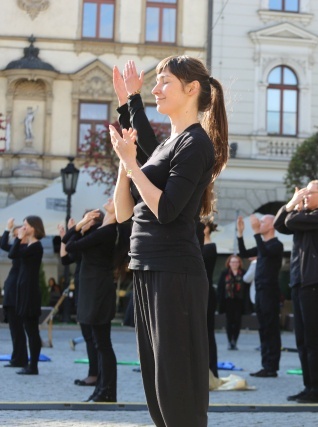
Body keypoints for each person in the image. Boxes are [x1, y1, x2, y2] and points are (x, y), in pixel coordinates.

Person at [109, 54, 228, 427]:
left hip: (174, 271)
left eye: (165, 82)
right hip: (147, 264)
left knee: (175, 388)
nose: (156, 88)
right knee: (157, 386)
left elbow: (166, 210)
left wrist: (131, 164)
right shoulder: (170, 142)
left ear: (191, 89)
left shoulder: (196, 144)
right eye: (155, 82)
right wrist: (128, 106)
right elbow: (125, 212)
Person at [274, 180, 318, 404]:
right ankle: (308, 386)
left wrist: (294, 206)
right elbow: (280, 224)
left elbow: (289, 221)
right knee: (301, 339)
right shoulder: (304, 216)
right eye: (305, 193)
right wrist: (292, 203)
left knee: (312, 338)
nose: (306, 196)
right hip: (299, 281)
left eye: (310, 193)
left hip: (314, 281)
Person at [64, 201, 118, 402]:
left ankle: (107, 391)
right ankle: (101, 389)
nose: (110, 200)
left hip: (98, 290)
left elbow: (70, 243)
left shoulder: (107, 231)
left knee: (103, 344)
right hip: (92, 287)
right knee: (99, 343)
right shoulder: (100, 229)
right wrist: (80, 225)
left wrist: (79, 226)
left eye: (114, 200)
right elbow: (68, 245)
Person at [237, 214, 284, 377]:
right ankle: (266, 365)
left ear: (271, 226)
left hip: (270, 292)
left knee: (271, 328)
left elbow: (264, 251)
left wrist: (256, 232)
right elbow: (243, 253)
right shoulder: (262, 245)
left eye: (263, 222)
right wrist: (241, 234)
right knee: (263, 328)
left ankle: (272, 366)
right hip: (260, 291)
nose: (260, 223)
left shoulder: (276, 245)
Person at [60, 218, 99, 388]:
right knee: (88, 335)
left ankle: (95, 374)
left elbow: (70, 247)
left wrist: (72, 233)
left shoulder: (92, 240)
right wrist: (66, 235)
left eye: (85, 219)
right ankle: (94, 373)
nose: (82, 222)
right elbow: (65, 259)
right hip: (82, 289)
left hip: (90, 289)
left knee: (92, 336)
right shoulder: (83, 241)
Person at [8, 216, 45, 376]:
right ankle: (31, 364)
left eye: (26, 225)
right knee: (28, 328)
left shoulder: (36, 246)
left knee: (32, 330)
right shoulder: (30, 245)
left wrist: (19, 238)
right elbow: (13, 253)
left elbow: (13, 254)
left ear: (33, 227)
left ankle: (33, 365)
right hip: (24, 290)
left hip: (30, 292)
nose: (23, 228)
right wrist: (20, 238)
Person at [1, 220, 28, 369]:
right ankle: (17, 357)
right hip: (12, 292)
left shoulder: (25, 249)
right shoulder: (18, 248)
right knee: (14, 329)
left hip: (17, 292)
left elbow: (5, 246)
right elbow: (4, 244)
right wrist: (7, 229)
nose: (17, 235)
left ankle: (20, 358)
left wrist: (15, 234)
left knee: (17, 328)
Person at [217, 254, 248, 350]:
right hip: (228, 301)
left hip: (239, 301)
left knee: (238, 322)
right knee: (229, 321)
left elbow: (246, 288)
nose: (234, 264)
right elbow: (220, 288)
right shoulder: (225, 273)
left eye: (236, 262)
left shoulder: (243, 273)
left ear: (239, 263)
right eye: (232, 262)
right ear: (229, 263)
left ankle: (235, 340)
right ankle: (230, 341)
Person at [201, 218, 219, 378]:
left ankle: (211, 370)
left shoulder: (209, 247)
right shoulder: (200, 246)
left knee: (207, 332)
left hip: (206, 294)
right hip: (200, 292)